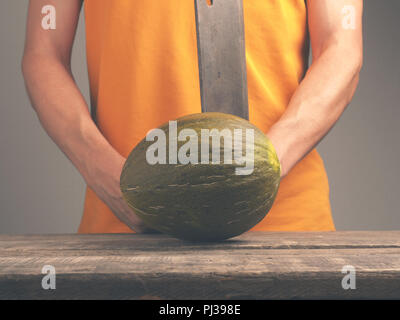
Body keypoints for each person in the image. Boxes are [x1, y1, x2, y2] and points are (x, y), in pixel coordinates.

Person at [22, 0, 363, 233]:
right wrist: (109, 178)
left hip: (286, 228)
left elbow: (341, 47)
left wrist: (261, 168)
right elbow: (43, 55)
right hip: (125, 232)